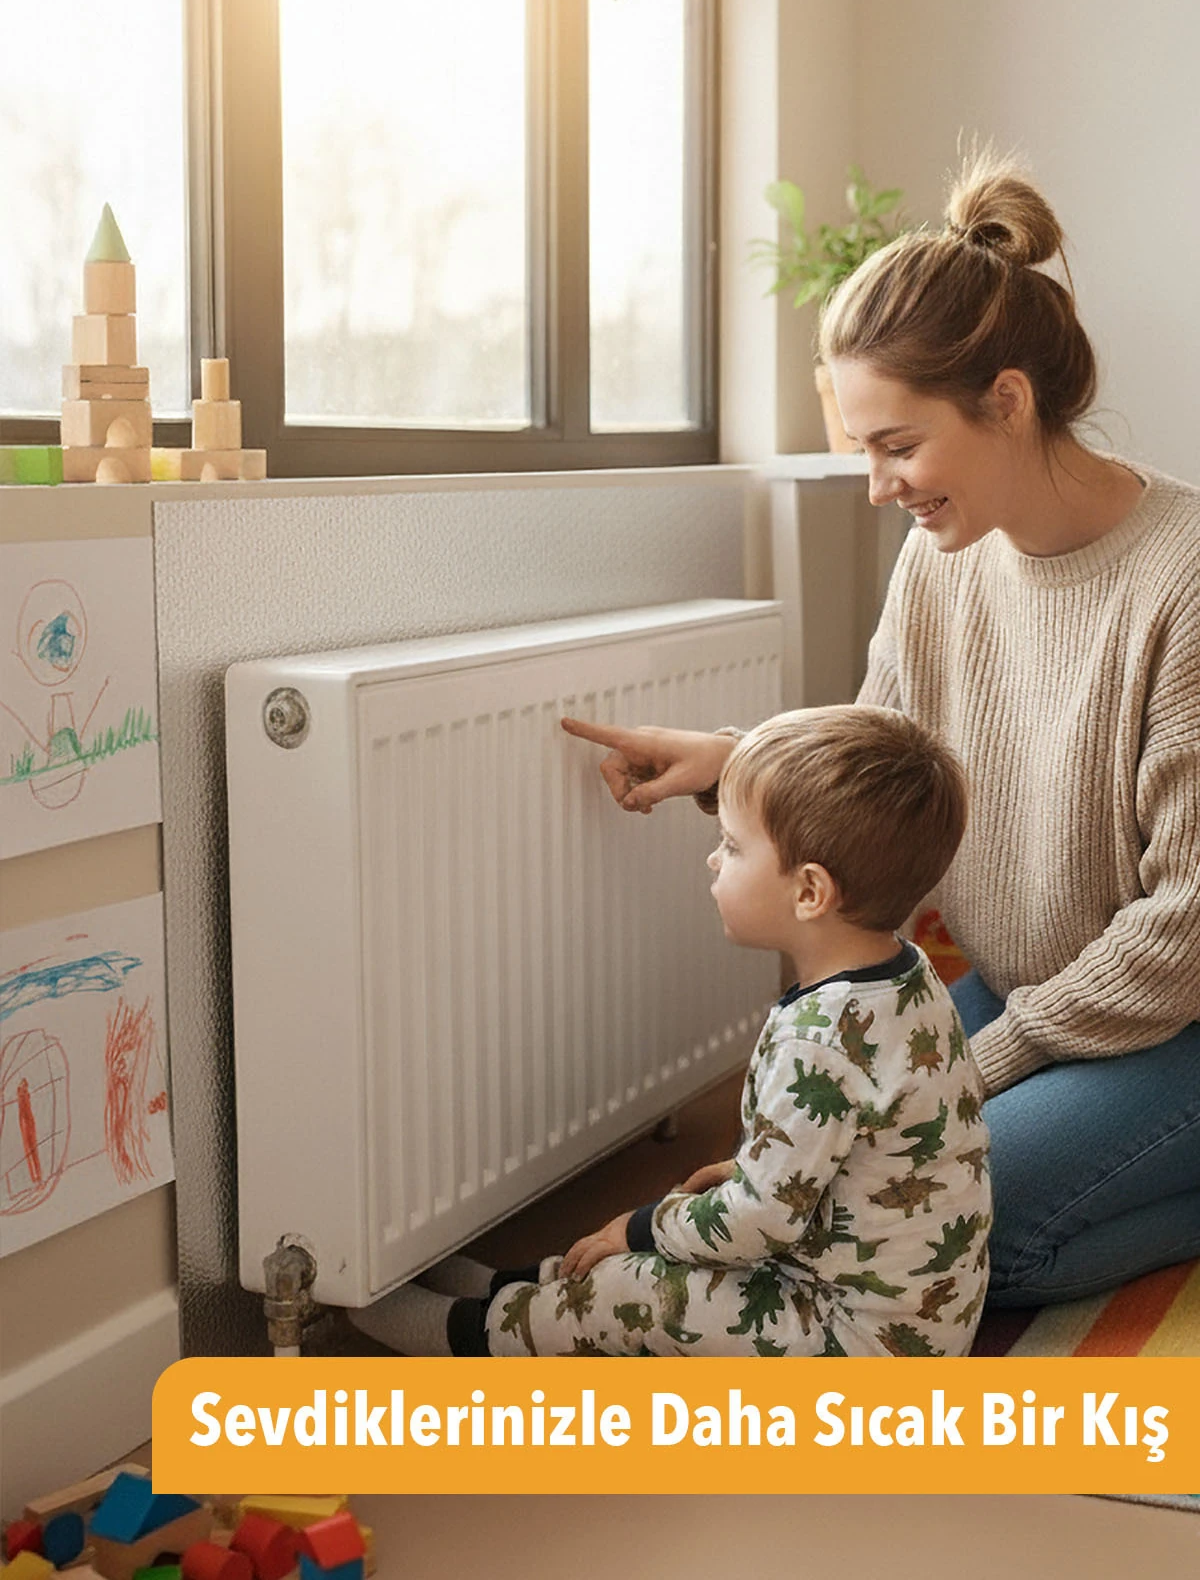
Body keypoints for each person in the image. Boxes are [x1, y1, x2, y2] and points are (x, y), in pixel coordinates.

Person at [564, 147, 1200, 1312]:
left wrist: (979, 1061)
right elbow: (882, 765)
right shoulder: (940, 561)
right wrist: (733, 765)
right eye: (864, 448)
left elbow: (1185, 928)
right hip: (1031, 995)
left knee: (958, 1247)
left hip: (1175, 1024)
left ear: (1007, 402)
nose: (876, 485)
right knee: (826, 1176)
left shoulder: (1184, 578)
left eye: (897, 445)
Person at [348, 704, 991, 1358]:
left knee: (642, 1289)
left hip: (855, 1342)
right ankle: (518, 1291)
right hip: (917, 1316)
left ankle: (465, 1336)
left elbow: (759, 1224)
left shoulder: (817, 1039)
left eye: (734, 847)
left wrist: (642, 1226)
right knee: (680, 1243)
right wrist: (740, 1181)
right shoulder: (910, 977)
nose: (715, 861)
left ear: (810, 893)